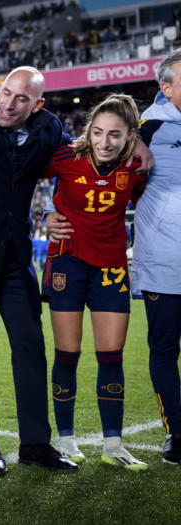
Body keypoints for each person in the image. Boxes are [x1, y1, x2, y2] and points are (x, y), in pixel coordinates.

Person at [0, 66, 147, 475]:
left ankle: (36, 444)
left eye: (22, 99)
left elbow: (90, 147)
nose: (9, 104)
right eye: (6, 93)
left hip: (15, 256)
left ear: (36, 105)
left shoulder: (49, 129)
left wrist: (138, 140)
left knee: (32, 347)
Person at [38, 93, 146, 470]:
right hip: (68, 262)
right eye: (98, 132)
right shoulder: (65, 157)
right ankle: (65, 440)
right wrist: (46, 216)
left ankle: (113, 445)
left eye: (115, 134)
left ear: (130, 135)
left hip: (112, 266)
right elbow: (18, 182)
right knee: (67, 353)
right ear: (89, 131)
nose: (104, 142)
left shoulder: (138, 164)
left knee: (111, 355)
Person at [118, 49, 181, 465]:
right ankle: (177, 433)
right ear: (166, 87)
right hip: (165, 261)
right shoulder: (150, 127)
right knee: (164, 350)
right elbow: (106, 166)